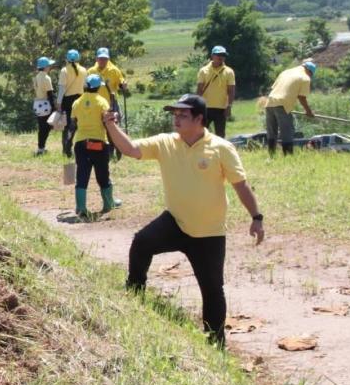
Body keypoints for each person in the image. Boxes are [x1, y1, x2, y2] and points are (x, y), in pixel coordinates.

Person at [103, 93, 264, 346]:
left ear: (199, 119)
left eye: (182, 115)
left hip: (209, 233)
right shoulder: (166, 142)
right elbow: (130, 149)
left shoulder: (221, 148)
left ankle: (215, 340)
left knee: (212, 290)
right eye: (174, 114)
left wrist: (256, 216)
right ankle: (134, 295)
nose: (176, 119)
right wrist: (110, 124)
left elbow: (240, 185)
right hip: (175, 222)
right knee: (142, 242)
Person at [70, 73, 115, 219]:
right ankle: (108, 205)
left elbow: (73, 125)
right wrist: (114, 143)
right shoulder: (102, 102)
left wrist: (67, 142)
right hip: (99, 143)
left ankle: (81, 208)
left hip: (81, 143)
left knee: (82, 175)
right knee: (102, 174)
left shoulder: (77, 102)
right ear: (98, 88)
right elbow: (108, 124)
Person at [264, 60, 317, 156]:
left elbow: (274, 88)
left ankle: (271, 155)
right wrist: (308, 111)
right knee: (287, 131)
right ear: (310, 71)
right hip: (283, 104)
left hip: (269, 102)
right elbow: (302, 97)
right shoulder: (305, 78)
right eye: (311, 75)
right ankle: (288, 156)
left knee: (272, 132)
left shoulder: (286, 72)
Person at [196, 45, 236, 138]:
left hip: (221, 108)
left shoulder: (229, 72)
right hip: (205, 108)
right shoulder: (203, 71)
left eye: (223, 55)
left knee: (220, 134)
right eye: (218, 55)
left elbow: (231, 90)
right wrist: (197, 107)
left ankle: (220, 152)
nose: (221, 57)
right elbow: (199, 90)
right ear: (212, 56)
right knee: (201, 133)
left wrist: (229, 106)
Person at [55, 49, 87, 157]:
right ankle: (76, 146)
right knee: (77, 124)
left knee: (67, 125)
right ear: (78, 58)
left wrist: (58, 102)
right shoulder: (83, 70)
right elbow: (85, 86)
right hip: (80, 99)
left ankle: (66, 147)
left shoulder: (64, 70)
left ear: (67, 59)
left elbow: (62, 88)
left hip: (68, 100)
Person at [32, 56, 55, 155]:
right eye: (49, 65)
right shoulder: (47, 78)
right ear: (45, 67)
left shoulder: (36, 77)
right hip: (45, 104)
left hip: (37, 104)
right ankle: (42, 147)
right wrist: (54, 108)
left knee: (41, 128)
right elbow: (50, 94)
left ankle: (40, 148)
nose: (50, 67)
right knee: (46, 128)